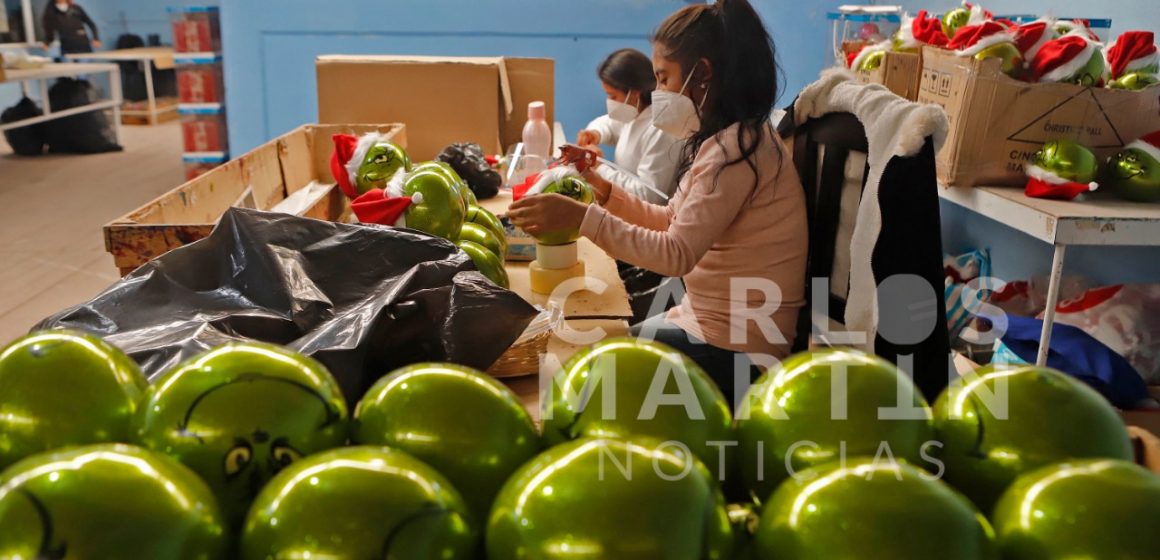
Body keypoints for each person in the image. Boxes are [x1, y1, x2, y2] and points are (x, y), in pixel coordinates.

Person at [509, 0, 808, 404]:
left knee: (579, 374)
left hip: (740, 350)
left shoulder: (740, 151)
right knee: (583, 354)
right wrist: (599, 186)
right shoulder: (727, 143)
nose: (659, 92)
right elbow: (670, 219)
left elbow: (675, 254)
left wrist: (582, 218)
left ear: (701, 74)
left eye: (664, 79)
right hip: (706, 323)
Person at [577, 49, 682, 205]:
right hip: (626, 208)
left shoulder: (660, 129)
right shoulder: (633, 113)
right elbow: (609, 123)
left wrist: (600, 168)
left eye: (613, 96)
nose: (609, 101)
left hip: (648, 218)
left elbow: (649, 195)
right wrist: (595, 133)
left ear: (634, 93)